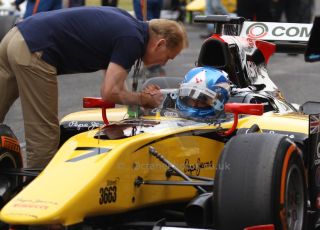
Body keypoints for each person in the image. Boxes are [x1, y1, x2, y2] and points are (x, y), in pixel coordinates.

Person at [0, 6, 187, 168]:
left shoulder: (128, 26)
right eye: (168, 57)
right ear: (160, 43)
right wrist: (144, 99)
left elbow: (115, 86)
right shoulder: (132, 40)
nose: (164, 62)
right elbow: (110, 92)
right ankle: (35, 197)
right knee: (44, 134)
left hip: (14, 36)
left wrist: (137, 101)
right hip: (35, 48)